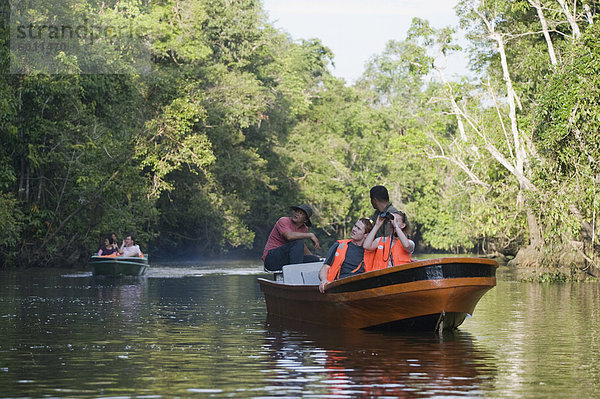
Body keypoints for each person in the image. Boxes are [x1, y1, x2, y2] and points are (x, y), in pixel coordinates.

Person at [318, 218, 374, 293]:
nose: (354, 229)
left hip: (361, 289)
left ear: (366, 235)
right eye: (355, 226)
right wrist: (324, 280)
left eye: (358, 229)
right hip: (339, 287)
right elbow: (325, 267)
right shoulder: (339, 245)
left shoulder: (371, 250)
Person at [263, 204, 321, 271]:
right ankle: (295, 274)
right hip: (271, 259)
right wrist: (311, 235)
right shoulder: (283, 221)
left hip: (287, 259)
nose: (297, 214)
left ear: (305, 220)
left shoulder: (304, 229)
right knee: (298, 242)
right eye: (297, 212)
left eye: (301, 213)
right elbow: (289, 236)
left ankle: (304, 277)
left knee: (314, 260)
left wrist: (312, 256)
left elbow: (301, 247)